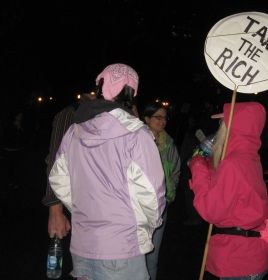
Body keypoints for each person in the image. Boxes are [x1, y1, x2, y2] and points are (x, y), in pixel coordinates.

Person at [49, 63, 166, 280]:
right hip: (122, 247)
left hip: (82, 245)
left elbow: (58, 179)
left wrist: (83, 209)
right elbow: (151, 195)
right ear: (133, 92)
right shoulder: (137, 135)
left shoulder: (74, 131)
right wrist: (145, 228)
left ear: (100, 86)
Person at [188, 102, 268, 280]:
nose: (219, 128)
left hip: (240, 258)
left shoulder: (233, 163)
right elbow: (230, 192)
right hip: (252, 252)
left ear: (233, 127)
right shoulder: (249, 157)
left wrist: (198, 168)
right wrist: (209, 168)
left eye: (222, 123)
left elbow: (211, 210)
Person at [42, 93, 96, 241]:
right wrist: (55, 209)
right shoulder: (71, 113)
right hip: (80, 200)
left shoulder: (113, 114)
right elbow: (56, 160)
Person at [141, 101, 180, 280]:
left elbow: (175, 171)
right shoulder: (136, 140)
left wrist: (169, 195)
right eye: (158, 117)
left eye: (165, 117)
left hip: (160, 207)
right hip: (138, 208)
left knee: (152, 257)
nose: (162, 121)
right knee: (135, 255)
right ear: (146, 119)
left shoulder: (169, 143)